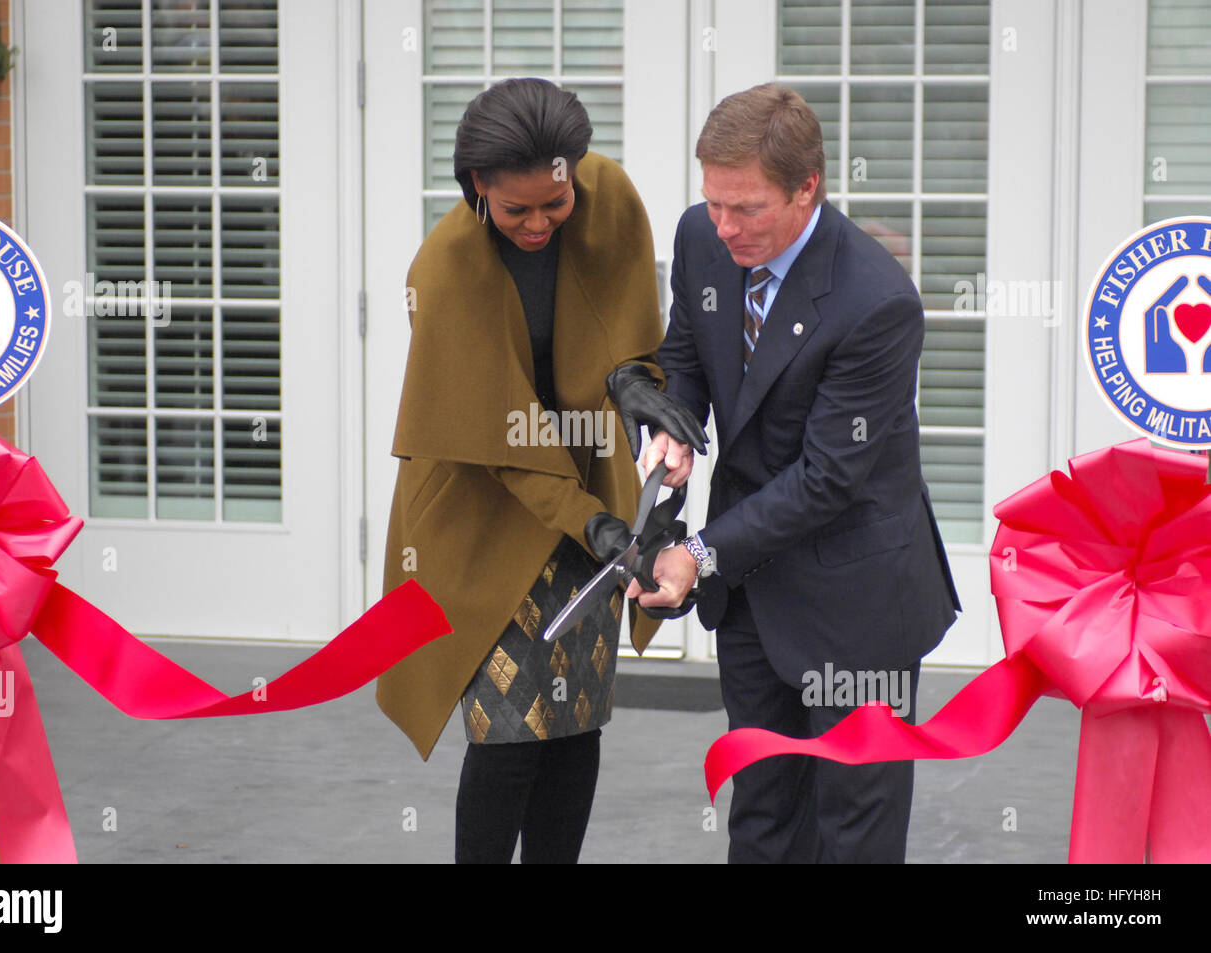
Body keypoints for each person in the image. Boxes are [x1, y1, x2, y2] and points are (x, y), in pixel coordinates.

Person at [629, 83, 961, 863]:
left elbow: (826, 477)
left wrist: (698, 554)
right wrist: (673, 425)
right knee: (764, 813)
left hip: (857, 604)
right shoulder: (704, 238)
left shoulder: (877, 301)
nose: (723, 225)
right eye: (712, 201)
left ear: (808, 187)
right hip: (753, 595)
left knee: (854, 828)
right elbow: (688, 351)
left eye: (746, 208)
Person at [377, 78, 706, 864]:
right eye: (514, 208)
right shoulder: (445, 269)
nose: (537, 224)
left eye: (552, 205)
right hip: (483, 503)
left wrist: (634, 387)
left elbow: (626, 329)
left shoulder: (609, 199)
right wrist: (598, 525)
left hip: (587, 489)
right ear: (476, 185)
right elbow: (502, 443)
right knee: (507, 734)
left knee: (575, 720)